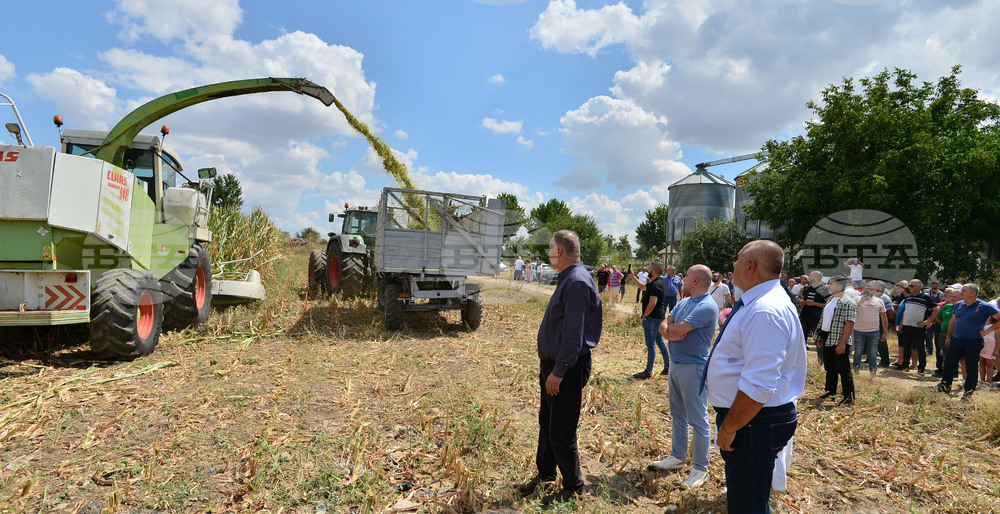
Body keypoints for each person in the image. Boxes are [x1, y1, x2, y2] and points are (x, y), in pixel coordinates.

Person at [706, 240, 807, 513]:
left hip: (753, 422)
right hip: (752, 420)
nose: (733, 266)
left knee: (746, 504)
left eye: (738, 260)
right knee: (752, 496)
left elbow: (758, 386)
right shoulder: (761, 302)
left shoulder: (764, 310)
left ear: (750, 265)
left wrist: (729, 427)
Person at [516, 230, 602, 505]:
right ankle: (546, 475)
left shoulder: (576, 281)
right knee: (547, 423)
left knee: (561, 430)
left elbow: (573, 334)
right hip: (554, 365)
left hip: (566, 367)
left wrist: (560, 370)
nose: (549, 252)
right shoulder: (570, 278)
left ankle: (574, 486)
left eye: (551, 248)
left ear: (561, 252)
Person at [649, 265, 717, 489]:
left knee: (698, 419)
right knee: (678, 414)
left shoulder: (707, 306)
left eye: (686, 275)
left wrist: (673, 331)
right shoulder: (685, 301)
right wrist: (673, 331)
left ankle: (700, 468)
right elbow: (665, 326)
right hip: (677, 365)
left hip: (693, 367)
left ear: (695, 280)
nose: (682, 278)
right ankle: (677, 456)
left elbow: (673, 330)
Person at [937, 284, 1000, 401]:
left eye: (964, 291)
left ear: (973, 293)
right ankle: (945, 389)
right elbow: (953, 320)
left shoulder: (984, 306)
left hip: (973, 341)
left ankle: (968, 393)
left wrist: (987, 331)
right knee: (949, 364)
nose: (961, 292)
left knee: (971, 366)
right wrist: (949, 336)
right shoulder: (959, 304)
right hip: (956, 339)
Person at [817, 276, 857, 405]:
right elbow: (824, 320)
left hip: (838, 340)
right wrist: (819, 337)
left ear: (840, 286)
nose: (828, 286)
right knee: (830, 368)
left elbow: (849, 324)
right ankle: (830, 392)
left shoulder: (848, 302)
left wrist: (842, 343)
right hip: (828, 338)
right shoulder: (830, 301)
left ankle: (848, 397)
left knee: (844, 370)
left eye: (831, 284)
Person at [629, 263, 668, 379]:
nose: (648, 271)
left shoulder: (655, 285)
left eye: (650, 269)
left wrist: (645, 315)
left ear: (654, 271)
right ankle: (668, 365)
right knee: (659, 341)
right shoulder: (659, 283)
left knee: (651, 345)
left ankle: (648, 371)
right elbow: (643, 287)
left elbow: (652, 303)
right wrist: (632, 277)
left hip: (652, 319)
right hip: (659, 317)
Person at [894, 279, 939, 374]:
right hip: (906, 325)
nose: (909, 288)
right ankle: (905, 365)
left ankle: (921, 367)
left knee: (920, 347)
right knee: (906, 346)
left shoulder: (925, 297)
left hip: (918, 327)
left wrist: (927, 322)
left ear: (919, 287)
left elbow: (936, 309)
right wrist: (901, 324)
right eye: (909, 286)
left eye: (911, 286)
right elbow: (906, 312)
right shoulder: (909, 297)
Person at [853, 282, 888, 375]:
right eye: (867, 289)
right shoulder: (856, 299)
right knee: (857, 353)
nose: (869, 291)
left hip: (874, 331)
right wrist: (861, 302)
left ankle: (873, 373)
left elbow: (884, 317)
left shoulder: (879, 301)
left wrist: (885, 332)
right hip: (859, 330)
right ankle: (856, 372)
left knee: (873, 354)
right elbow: (852, 310)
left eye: (871, 289)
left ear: (875, 291)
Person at [798, 271, 829, 363]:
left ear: (817, 278)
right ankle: (800, 362)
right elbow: (805, 300)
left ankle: (821, 363)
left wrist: (813, 303)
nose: (808, 277)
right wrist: (802, 298)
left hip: (817, 318)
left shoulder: (824, 289)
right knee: (801, 339)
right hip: (805, 316)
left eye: (811, 275)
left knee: (818, 341)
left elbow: (827, 303)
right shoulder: (807, 288)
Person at [932, 286, 959, 378]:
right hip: (942, 332)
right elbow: (938, 319)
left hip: (956, 334)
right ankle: (940, 370)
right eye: (945, 292)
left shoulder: (960, 307)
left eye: (948, 292)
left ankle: (954, 373)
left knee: (954, 353)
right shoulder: (945, 306)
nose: (945, 294)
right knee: (941, 351)